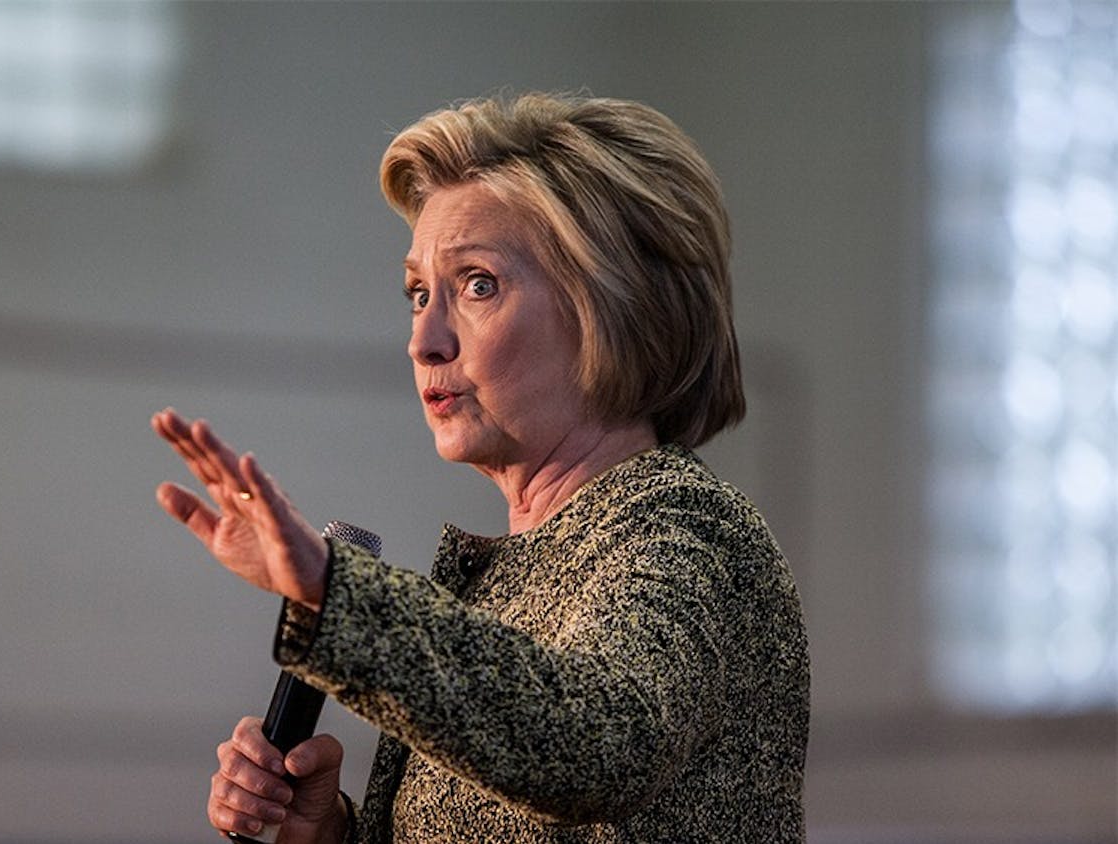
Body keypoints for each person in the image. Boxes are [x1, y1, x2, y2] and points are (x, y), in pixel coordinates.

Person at [153, 92, 809, 843]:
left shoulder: (690, 534)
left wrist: (336, 593)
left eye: (477, 284)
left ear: (610, 308)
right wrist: (329, 833)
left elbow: (597, 748)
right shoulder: (500, 586)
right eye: (418, 293)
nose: (424, 340)